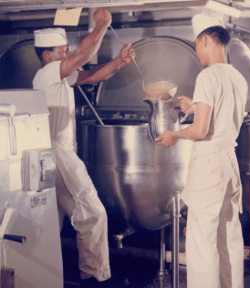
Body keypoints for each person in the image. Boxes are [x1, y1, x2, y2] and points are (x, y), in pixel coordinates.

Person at [32, 8, 134, 288]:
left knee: (52, 221)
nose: (68, 55)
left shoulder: (61, 76)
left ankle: (42, 276)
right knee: (92, 213)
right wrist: (103, 23)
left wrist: (120, 62)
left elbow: (92, 75)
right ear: (47, 56)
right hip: (57, 153)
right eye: (63, 51)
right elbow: (84, 57)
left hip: (57, 154)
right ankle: (93, 277)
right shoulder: (46, 74)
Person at [155, 13, 248, 288]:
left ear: (205, 39)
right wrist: (196, 106)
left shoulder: (207, 76)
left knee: (201, 243)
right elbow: (222, 114)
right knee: (228, 238)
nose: (197, 52)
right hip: (229, 166)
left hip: (209, 168)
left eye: (196, 45)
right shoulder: (236, 77)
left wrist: (173, 134)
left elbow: (201, 131)